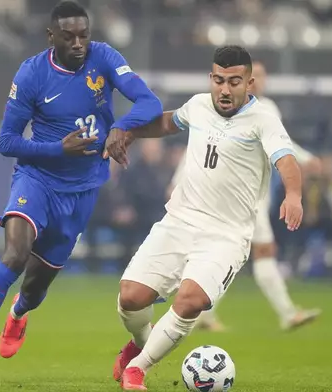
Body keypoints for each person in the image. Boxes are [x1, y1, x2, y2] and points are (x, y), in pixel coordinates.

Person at [0, 1, 163, 384]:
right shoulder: (31, 74)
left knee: (35, 286)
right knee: (15, 254)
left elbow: (150, 102)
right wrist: (57, 149)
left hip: (82, 190)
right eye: (69, 36)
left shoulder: (104, 57)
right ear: (51, 37)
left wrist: (120, 128)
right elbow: (7, 141)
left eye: (84, 35)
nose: (79, 43)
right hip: (37, 179)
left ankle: (19, 313)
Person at [105, 45, 304, 391]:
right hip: (179, 221)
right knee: (130, 297)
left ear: (249, 83)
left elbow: (286, 160)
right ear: (211, 79)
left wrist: (294, 194)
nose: (225, 89)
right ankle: (140, 342)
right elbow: (169, 122)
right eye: (219, 80)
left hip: (226, 236)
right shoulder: (198, 105)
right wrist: (131, 132)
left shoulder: (264, 120)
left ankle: (138, 367)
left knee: (190, 299)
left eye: (234, 82)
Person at [167, 60, 321, 332]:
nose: (257, 81)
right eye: (254, 76)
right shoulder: (219, 108)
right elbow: (202, 148)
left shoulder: (267, 110)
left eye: (261, 76)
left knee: (232, 257)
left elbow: (284, 144)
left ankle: (203, 313)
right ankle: (285, 313)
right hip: (240, 200)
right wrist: (177, 180)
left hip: (253, 196)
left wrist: (305, 159)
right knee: (256, 252)